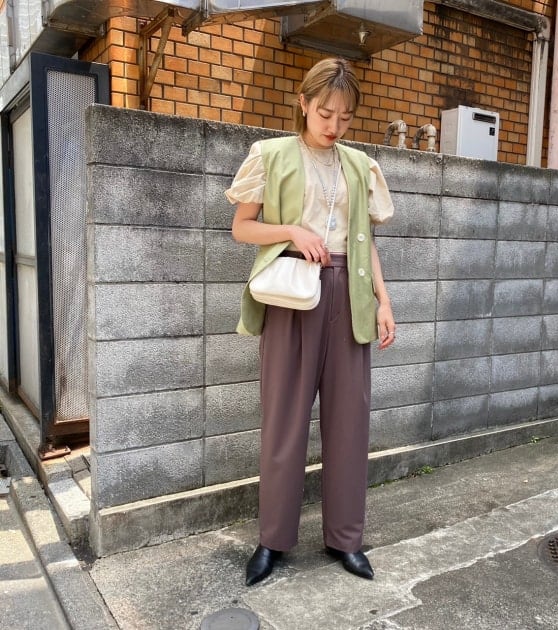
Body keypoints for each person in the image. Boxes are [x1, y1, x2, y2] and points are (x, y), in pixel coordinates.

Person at [225, 57, 396, 586]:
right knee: (284, 421)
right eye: (325, 113)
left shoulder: (360, 165)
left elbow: (367, 241)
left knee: (350, 423)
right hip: (292, 293)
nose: (334, 125)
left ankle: (346, 539)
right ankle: (273, 540)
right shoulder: (271, 155)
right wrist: (292, 232)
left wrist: (384, 301)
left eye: (345, 117)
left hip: (350, 293)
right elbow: (242, 228)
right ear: (303, 103)